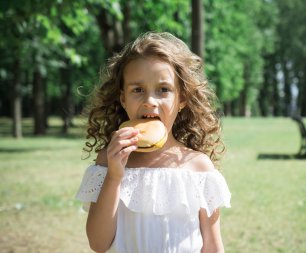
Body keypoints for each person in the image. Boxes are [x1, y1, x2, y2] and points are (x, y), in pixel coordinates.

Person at [76, 32, 231, 253]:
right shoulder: (108, 162)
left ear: (182, 99)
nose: (150, 101)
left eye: (164, 90)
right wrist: (114, 177)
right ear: (123, 99)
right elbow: (98, 244)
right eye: (137, 90)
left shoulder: (199, 167)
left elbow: (213, 247)